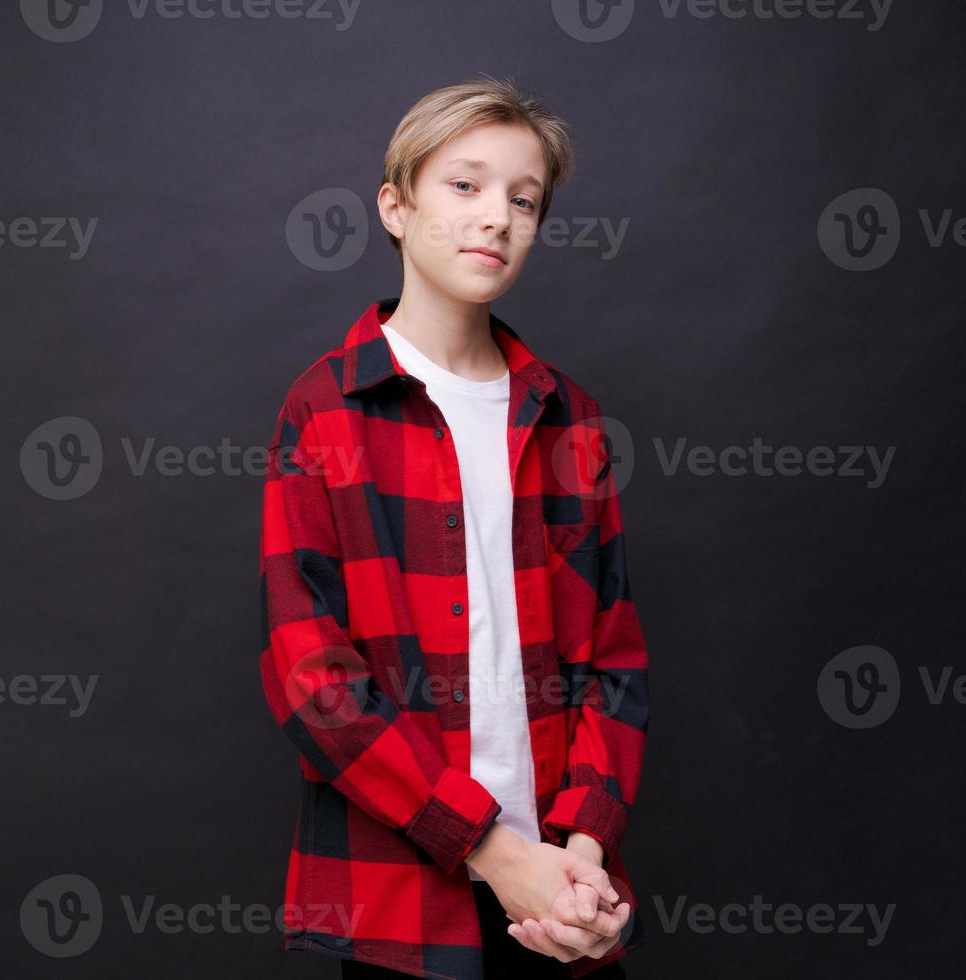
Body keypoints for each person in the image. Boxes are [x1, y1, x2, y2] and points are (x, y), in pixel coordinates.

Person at [259, 74, 650, 980]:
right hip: (409, 897)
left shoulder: (568, 418)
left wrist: (581, 853)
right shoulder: (327, 410)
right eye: (465, 186)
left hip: (563, 895)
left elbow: (613, 660)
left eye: (525, 199)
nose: (497, 218)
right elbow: (310, 678)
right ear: (396, 207)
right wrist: (493, 853)